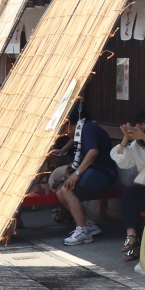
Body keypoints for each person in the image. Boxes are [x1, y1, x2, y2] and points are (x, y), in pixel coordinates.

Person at [48, 100, 116, 246]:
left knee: (66, 189)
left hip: (103, 173)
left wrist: (77, 173)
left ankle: (83, 231)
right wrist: (70, 162)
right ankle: (89, 224)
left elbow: (93, 151)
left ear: (71, 123)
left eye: (65, 127)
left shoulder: (89, 128)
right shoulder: (83, 129)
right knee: (61, 191)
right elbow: (75, 140)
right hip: (95, 171)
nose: (65, 132)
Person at [111, 106, 145, 262]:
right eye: (137, 124)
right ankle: (131, 235)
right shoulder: (136, 145)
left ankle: (136, 246)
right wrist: (126, 138)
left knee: (133, 205)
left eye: (142, 124)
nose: (138, 127)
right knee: (128, 193)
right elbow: (122, 162)